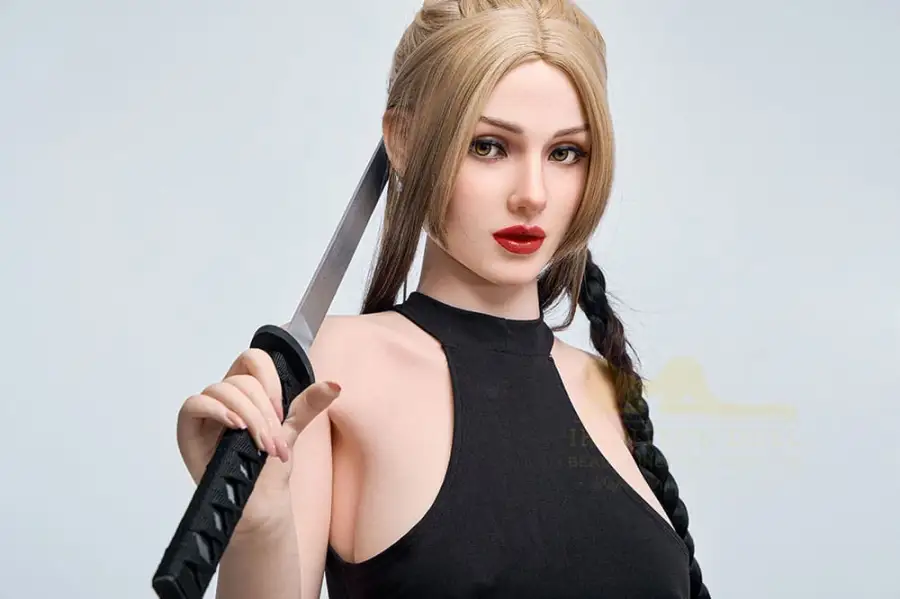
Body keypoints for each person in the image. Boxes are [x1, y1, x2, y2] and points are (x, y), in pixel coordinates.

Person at [176, 1, 711, 597]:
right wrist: (258, 530)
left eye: (565, 153)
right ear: (404, 144)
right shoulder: (328, 370)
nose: (532, 195)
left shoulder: (606, 387)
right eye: (489, 146)